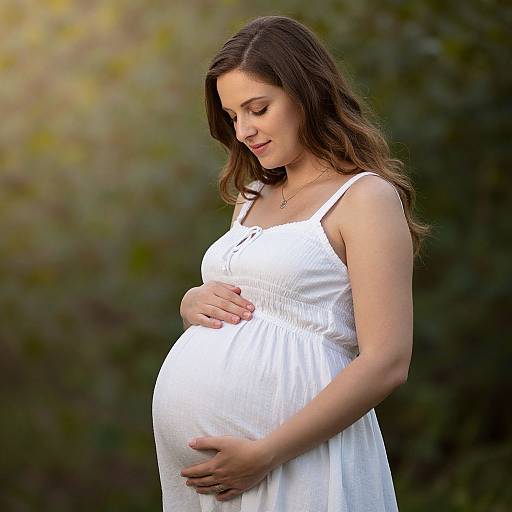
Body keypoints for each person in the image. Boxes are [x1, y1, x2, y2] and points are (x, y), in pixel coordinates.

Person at [152, 15, 429, 511]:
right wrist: (193, 301)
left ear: (306, 92)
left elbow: (387, 361)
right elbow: (253, 303)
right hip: (216, 481)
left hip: (297, 461)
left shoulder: (364, 198)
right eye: (233, 115)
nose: (244, 131)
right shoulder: (253, 195)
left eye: (258, 108)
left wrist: (264, 453)